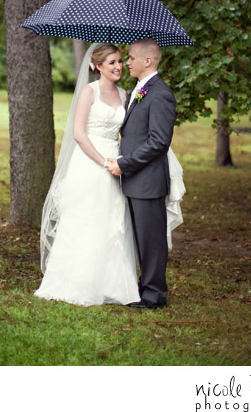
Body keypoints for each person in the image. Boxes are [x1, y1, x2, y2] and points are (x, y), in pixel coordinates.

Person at [35, 43, 141, 306]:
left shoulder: (125, 94)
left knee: (112, 219)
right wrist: (103, 161)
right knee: (86, 219)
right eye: (112, 63)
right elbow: (78, 134)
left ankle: (112, 285)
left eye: (119, 61)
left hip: (115, 163)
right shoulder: (88, 92)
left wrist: (120, 161)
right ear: (98, 66)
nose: (118, 67)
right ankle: (78, 283)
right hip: (89, 162)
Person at [106, 38, 184, 309]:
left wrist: (125, 163)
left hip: (148, 180)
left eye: (130, 58)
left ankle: (154, 295)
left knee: (152, 241)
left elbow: (159, 142)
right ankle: (143, 288)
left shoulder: (160, 94)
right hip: (136, 179)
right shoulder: (140, 90)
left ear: (147, 61)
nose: (126, 62)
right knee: (141, 238)